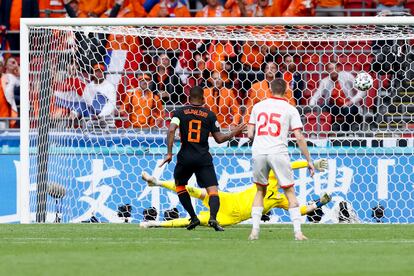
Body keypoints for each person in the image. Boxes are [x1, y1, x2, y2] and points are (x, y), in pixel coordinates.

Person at [140, 159, 331, 228]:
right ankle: (156, 182)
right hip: (228, 200)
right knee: (193, 191)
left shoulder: (279, 200)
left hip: (229, 218)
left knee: (194, 220)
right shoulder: (271, 179)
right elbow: (288, 165)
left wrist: (320, 203)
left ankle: (154, 224)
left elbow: (301, 210)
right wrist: (309, 164)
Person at [159, 86, 246, 231]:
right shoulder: (209, 115)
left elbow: (171, 129)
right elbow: (219, 139)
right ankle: (213, 218)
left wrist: (169, 153)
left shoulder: (179, 112)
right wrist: (234, 132)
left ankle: (193, 217)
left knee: (180, 186)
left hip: (185, 157)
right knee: (213, 191)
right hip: (203, 158)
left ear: (188, 98)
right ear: (203, 98)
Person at [247, 78, 314, 241]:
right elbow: (299, 136)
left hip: (259, 151)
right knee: (289, 191)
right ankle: (298, 232)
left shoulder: (258, 106)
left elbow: (249, 134)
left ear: (269, 90)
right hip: (278, 151)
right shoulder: (290, 109)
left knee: (260, 191)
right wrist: (309, 160)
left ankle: (254, 231)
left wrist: (260, 141)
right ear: (286, 91)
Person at [309, 63, 364, 131]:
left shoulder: (347, 76)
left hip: (349, 105)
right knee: (322, 107)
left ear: (338, 69)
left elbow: (362, 91)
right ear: (327, 71)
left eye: (334, 68)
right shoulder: (324, 81)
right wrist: (311, 107)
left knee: (348, 110)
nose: (333, 71)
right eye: (330, 69)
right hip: (335, 107)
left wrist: (351, 101)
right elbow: (315, 96)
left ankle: (347, 130)